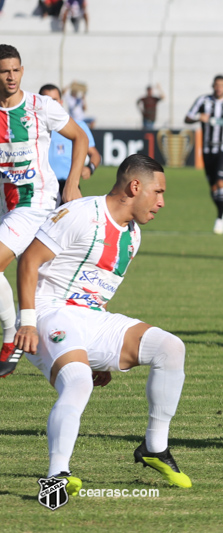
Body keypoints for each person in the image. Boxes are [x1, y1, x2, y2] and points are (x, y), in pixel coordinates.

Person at [15, 154, 191, 493]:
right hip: (50, 312)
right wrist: (27, 322)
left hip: (93, 318)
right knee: (78, 381)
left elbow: (98, 291)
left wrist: (99, 353)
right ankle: (57, 475)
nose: (162, 202)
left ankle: (154, 447)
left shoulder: (133, 234)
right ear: (135, 186)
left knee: (171, 348)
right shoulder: (82, 213)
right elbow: (29, 260)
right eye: (158, 192)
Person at [0, 44, 88, 378]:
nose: (11, 76)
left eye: (16, 70)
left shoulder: (40, 106)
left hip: (35, 204)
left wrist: (73, 183)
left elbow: (80, 137)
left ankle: (14, 334)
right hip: (6, 205)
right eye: (5, 71)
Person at [185, 75, 223, 235]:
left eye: (222, 85)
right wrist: (198, 117)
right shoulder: (203, 101)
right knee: (213, 187)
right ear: (213, 86)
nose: (219, 88)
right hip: (207, 149)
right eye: (217, 85)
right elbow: (187, 118)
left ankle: (219, 218)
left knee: (221, 181)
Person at [39, 84, 101, 204]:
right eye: (46, 100)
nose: (50, 104)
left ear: (61, 102)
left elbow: (95, 154)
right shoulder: (31, 127)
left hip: (68, 186)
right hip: (41, 189)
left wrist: (90, 168)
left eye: (54, 100)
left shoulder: (77, 127)